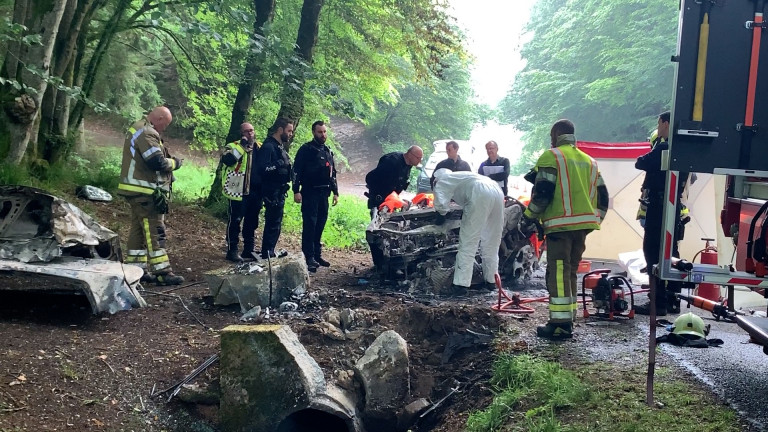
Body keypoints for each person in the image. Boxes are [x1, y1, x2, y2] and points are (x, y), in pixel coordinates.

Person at [522, 119, 609, 339]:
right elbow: (604, 197)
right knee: (570, 271)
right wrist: (594, 220)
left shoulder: (552, 157)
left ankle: (560, 325)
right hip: (582, 227)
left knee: (558, 273)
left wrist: (529, 216)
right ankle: (568, 317)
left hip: (560, 226)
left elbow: (543, 191)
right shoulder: (590, 161)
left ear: (556, 135)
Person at [118, 106, 185, 286]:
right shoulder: (147, 132)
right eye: (166, 124)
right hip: (145, 191)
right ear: (160, 118)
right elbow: (156, 161)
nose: (164, 129)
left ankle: (136, 270)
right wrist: (176, 163)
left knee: (138, 231)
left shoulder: (139, 128)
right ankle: (163, 272)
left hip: (136, 190)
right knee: (155, 230)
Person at [634, 111, 688, 316]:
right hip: (672, 209)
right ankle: (673, 300)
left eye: (659, 123)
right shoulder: (683, 150)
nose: (659, 128)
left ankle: (657, 303)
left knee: (652, 252)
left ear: (666, 124)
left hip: (659, 208)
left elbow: (641, 162)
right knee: (672, 254)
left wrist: (656, 147)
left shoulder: (664, 148)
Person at [432, 169, 504, 295]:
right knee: (492, 241)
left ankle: (461, 285)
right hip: (496, 190)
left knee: (468, 242)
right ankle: (492, 281)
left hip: (479, 192)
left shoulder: (443, 179)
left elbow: (440, 201)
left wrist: (441, 215)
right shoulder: (463, 176)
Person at [293, 121, 339, 272]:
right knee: (310, 225)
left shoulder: (327, 150)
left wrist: (336, 191)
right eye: (320, 132)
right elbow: (296, 171)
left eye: (325, 132)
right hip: (310, 192)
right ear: (313, 132)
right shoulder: (306, 150)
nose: (323, 135)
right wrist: (296, 190)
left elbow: (333, 173)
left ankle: (317, 254)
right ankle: (308, 256)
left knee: (320, 224)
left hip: (324, 193)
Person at [253, 117, 294, 259]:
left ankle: (270, 250)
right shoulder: (268, 147)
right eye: (289, 131)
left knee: (276, 223)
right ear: (280, 130)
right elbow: (262, 168)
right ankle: (267, 253)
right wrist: (278, 163)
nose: (290, 134)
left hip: (280, 190)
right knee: (272, 222)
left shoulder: (279, 146)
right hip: (271, 190)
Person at [220, 122, 261, 262]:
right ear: (241, 133)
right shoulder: (232, 147)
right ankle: (232, 250)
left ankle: (249, 250)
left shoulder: (259, 147)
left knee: (251, 222)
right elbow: (229, 160)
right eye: (247, 131)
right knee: (235, 221)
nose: (250, 133)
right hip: (237, 191)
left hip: (255, 192)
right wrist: (242, 146)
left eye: (252, 130)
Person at [364, 145, 423, 216]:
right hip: (380, 198)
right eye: (418, 158)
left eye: (421, 158)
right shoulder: (391, 162)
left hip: (391, 199)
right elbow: (371, 178)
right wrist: (378, 195)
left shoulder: (408, 165)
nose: (419, 161)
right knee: (378, 220)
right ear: (410, 155)